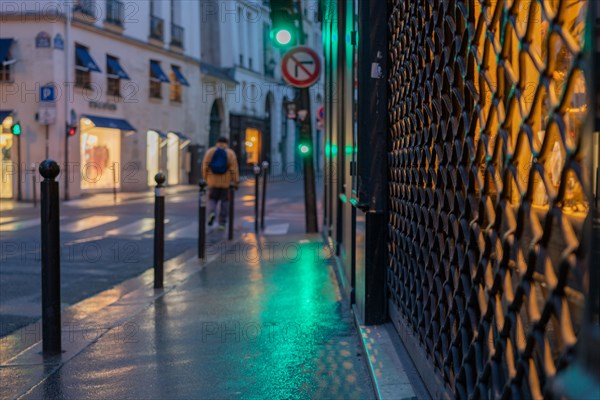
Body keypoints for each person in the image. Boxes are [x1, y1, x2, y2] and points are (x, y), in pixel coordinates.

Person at [202, 137, 240, 230]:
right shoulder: (230, 153)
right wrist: (236, 182)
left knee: (212, 199)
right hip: (225, 183)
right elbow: (234, 170)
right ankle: (222, 223)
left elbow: (204, 167)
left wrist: (206, 179)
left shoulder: (210, 152)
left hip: (212, 182)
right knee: (225, 202)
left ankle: (212, 213)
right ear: (226, 143)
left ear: (217, 142)